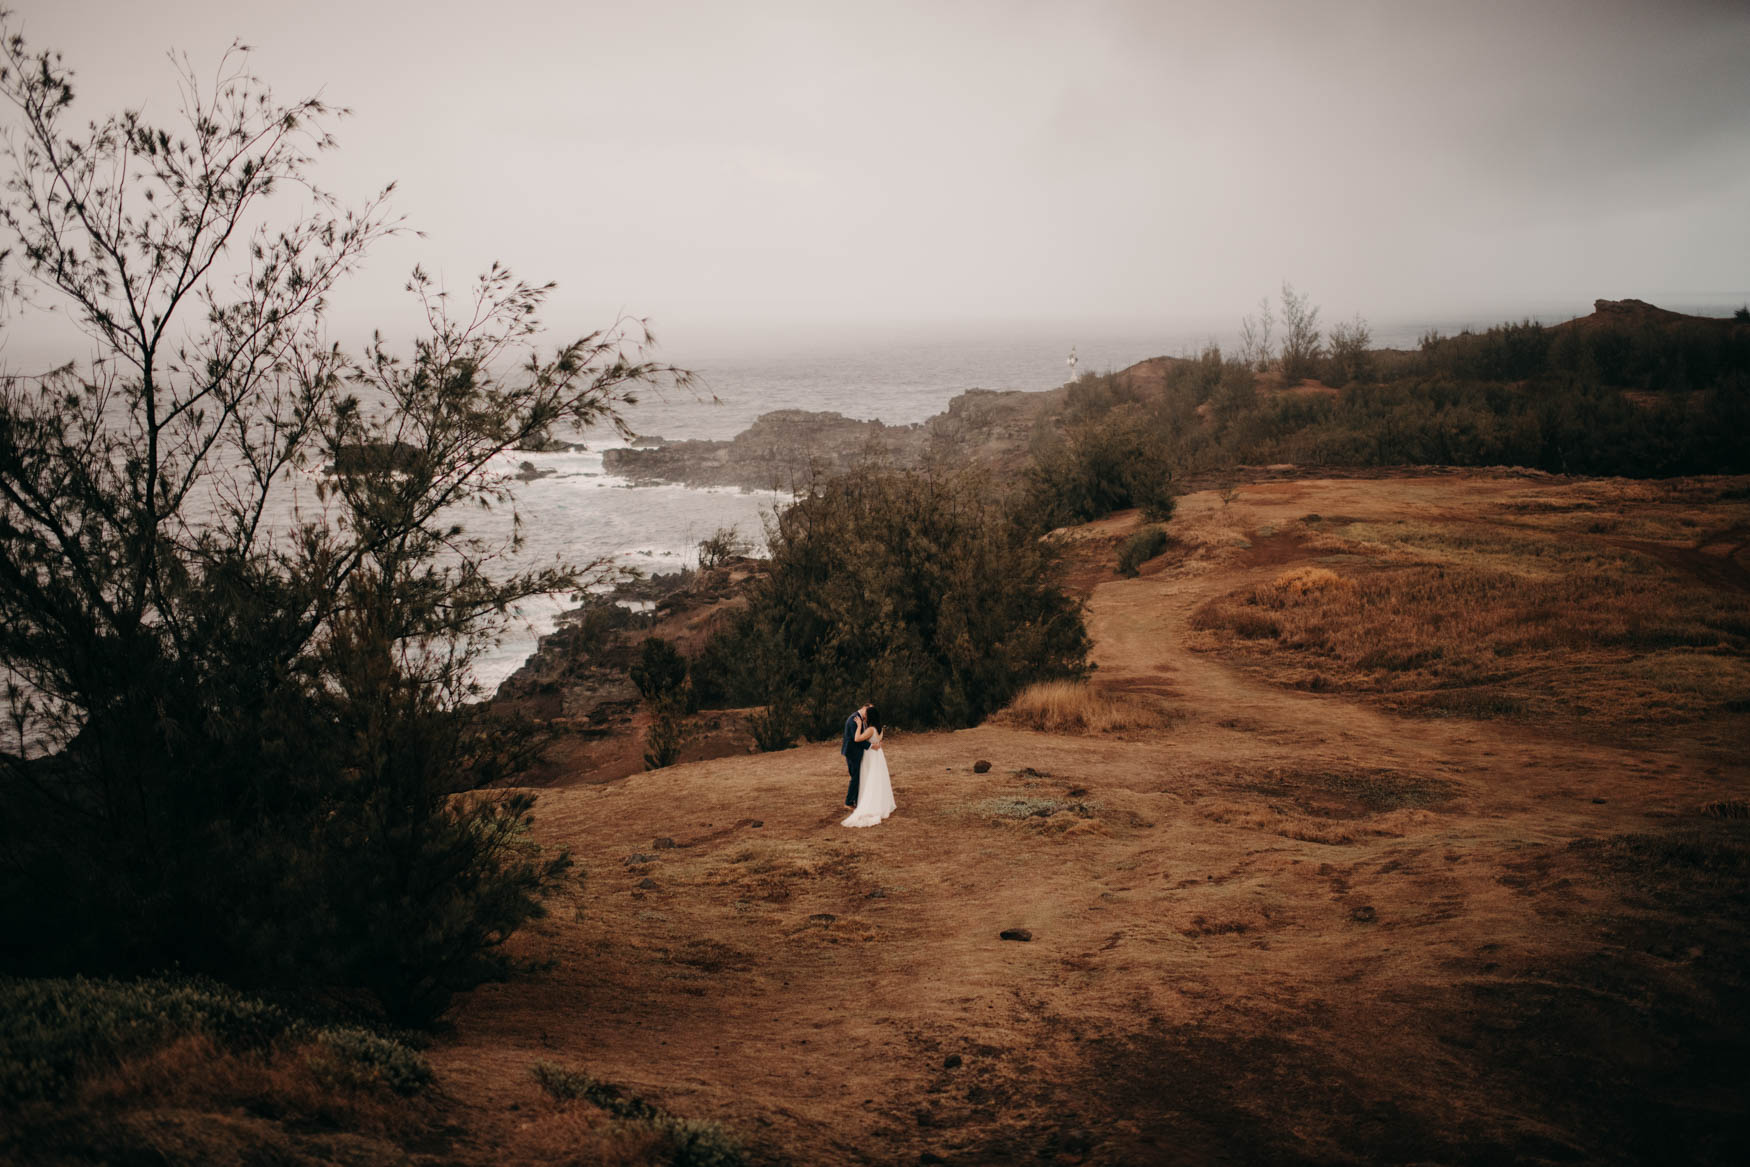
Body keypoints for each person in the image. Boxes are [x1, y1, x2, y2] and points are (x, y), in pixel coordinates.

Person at [841, 704, 896, 828]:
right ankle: (873, 800)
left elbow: (857, 738)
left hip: (871, 755)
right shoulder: (880, 728)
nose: (865, 717)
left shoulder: (870, 729)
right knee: (876, 778)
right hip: (878, 756)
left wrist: (860, 726)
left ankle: (854, 801)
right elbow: (877, 740)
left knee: (866, 777)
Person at [841, 702, 871, 808]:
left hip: (856, 751)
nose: (869, 714)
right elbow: (857, 739)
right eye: (868, 711)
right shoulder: (854, 719)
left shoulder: (861, 719)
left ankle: (856, 799)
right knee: (855, 777)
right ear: (863, 708)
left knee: (857, 776)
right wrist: (871, 746)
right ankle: (848, 802)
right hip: (852, 752)